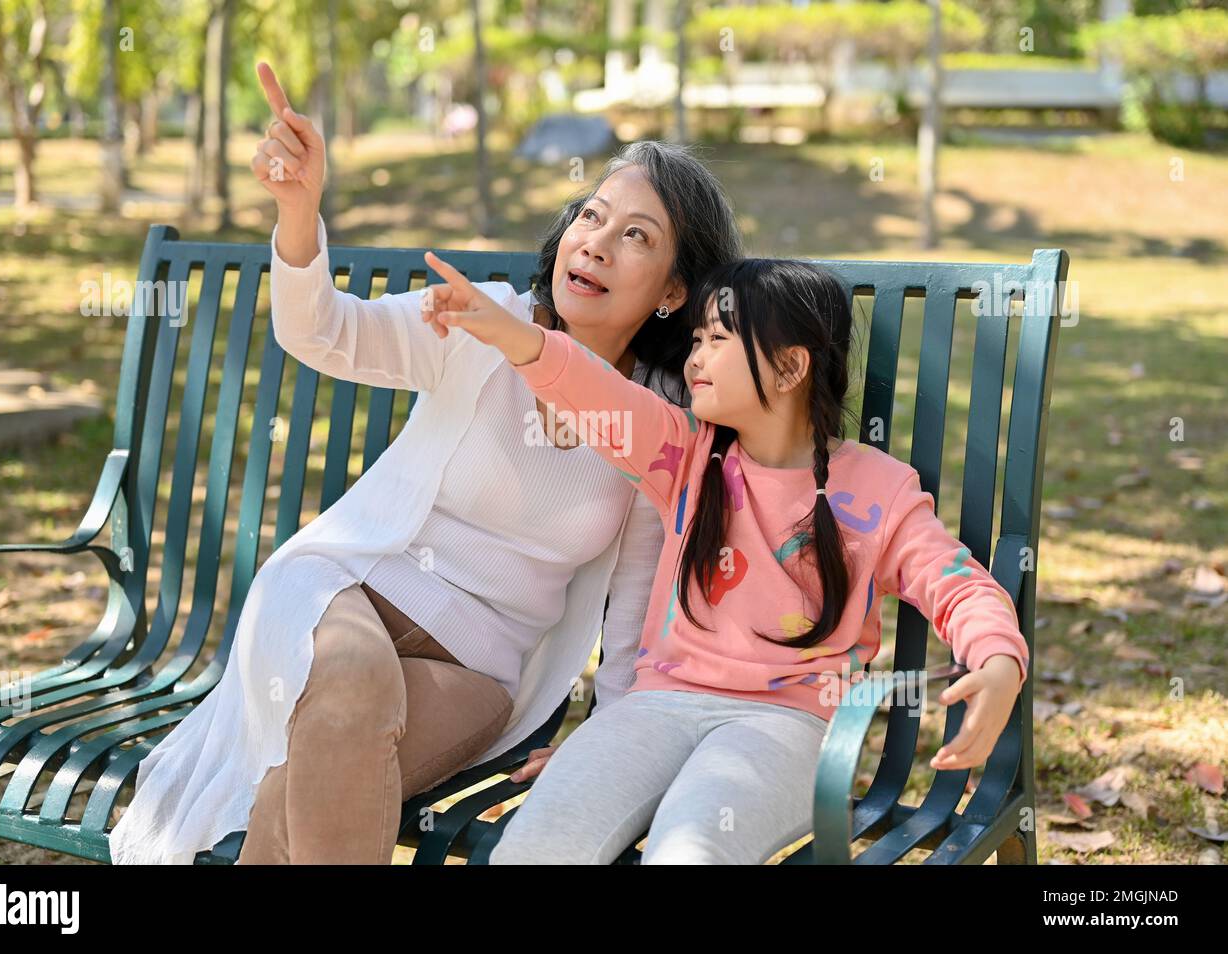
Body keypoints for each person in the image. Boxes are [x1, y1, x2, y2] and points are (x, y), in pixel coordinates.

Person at [106, 62, 745, 864]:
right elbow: (326, 334)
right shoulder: (484, 319)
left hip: (478, 667)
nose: (596, 244)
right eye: (592, 215)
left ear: (672, 293)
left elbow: (632, 614)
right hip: (348, 593)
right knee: (348, 690)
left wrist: (604, 744)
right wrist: (300, 211)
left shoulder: (653, 423)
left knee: (315, 769)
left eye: (636, 237)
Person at [415, 253, 1031, 864]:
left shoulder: (880, 491)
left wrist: (999, 661)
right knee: (537, 847)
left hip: (784, 731)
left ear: (789, 367)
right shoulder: (682, 454)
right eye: (696, 339)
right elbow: (591, 391)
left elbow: (959, 586)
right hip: (652, 711)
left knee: (691, 851)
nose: (695, 357)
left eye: (718, 339)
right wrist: (507, 331)